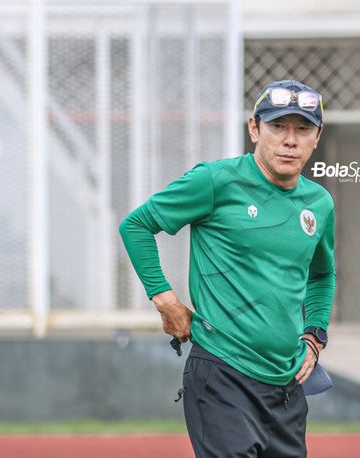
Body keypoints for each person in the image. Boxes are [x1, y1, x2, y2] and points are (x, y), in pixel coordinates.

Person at [119, 79, 335, 458]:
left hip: (285, 384)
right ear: (254, 128)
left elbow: (322, 275)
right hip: (222, 373)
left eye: (302, 129)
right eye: (278, 127)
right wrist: (165, 299)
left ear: (316, 137)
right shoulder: (216, 180)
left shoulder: (319, 204)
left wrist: (314, 336)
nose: (290, 140)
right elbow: (136, 225)